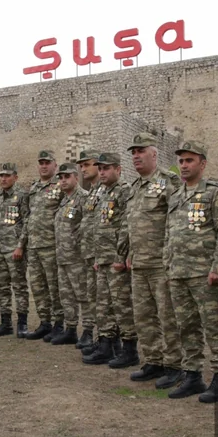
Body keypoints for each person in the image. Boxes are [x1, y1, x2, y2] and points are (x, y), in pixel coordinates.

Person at [165, 141, 218, 403]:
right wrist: (167, 263)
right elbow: (169, 234)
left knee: (214, 326)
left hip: (204, 274)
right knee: (186, 326)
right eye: (181, 161)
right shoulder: (176, 196)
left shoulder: (216, 194)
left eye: (189, 160)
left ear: (202, 164)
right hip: (178, 272)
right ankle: (192, 375)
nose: (184, 165)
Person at [125, 133, 185, 384]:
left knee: (167, 316)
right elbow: (133, 224)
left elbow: (177, 221)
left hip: (161, 263)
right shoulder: (135, 187)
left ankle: (174, 365)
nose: (136, 156)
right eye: (133, 152)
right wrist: (129, 252)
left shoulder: (169, 181)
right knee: (143, 316)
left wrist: (171, 257)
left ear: (154, 154)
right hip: (139, 263)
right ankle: (153, 360)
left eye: (141, 151)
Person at [84, 153, 136, 367]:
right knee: (103, 304)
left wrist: (121, 256)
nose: (103, 172)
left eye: (107, 168)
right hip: (102, 258)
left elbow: (126, 226)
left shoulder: (124, 191)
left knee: (121, 305)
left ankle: (130, 349)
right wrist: (97, 256)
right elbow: (99, 226)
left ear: (118, 169)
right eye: (101, 169)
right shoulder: (102, 192)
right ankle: (107, 344)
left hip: (116, 259)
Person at [24, 150, 64, 341]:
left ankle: (59, 323)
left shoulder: (60, 185)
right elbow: (28, 218)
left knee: (54, 286)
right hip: (34, 246)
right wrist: (22, 243)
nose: (44, 166)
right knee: (38, 287)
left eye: (47, 162)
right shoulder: (33, 188)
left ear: (55, 165)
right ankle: (44, 322)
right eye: (41, 162)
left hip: (51, 245)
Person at [50, 162, 89, 346]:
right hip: (62, 257)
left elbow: (86, 228)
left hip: (77, 258)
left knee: (83, 295)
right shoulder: (63, 200)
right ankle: (71, 329)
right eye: (61, 178)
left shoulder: (83, 198)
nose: (63, 180)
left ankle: (88, 330)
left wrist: (80, 249)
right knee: (66, 296)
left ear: (76, 177)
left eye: (67, 177)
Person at [0, 162, 30, 338]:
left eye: (7, 175)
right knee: (2, 287)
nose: (4, 179)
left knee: (19, 286)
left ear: (16, 177)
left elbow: (27, 222)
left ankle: (22, 323)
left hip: (14, 249)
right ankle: (5, 322)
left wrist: (20, 246)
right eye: (1, 175)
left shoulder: (22, 196)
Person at [75, 150, 103, 350]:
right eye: (82, 165)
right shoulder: (93, 191)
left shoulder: (105, 190)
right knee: (92, 298)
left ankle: (107, 340)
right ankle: (99, 338)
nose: (83, 169)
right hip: (88, 253)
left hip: (100, 255)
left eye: (87, 164)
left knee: (103, 300)